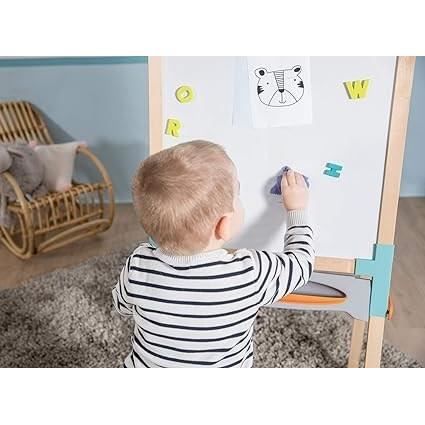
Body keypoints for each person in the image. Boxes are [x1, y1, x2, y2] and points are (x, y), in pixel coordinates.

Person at [112, 140, 314, 367]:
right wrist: (296, 210)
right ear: (223, 226)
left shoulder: (138, 265)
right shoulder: (250, 273)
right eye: (237, 194)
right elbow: (301, 264)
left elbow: (122, 306)